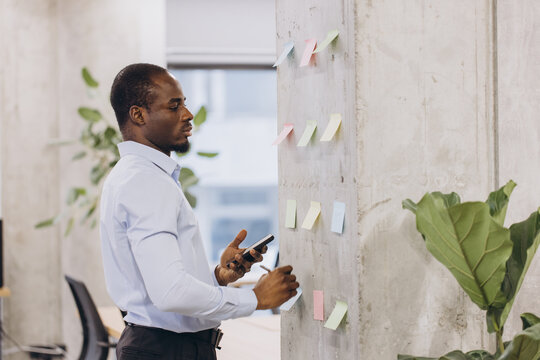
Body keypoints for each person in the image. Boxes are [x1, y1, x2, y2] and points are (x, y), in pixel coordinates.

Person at [100, 63, 299, 360]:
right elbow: (169, 293)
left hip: (163, 347)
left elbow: (159, 282)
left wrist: (217, 276)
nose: (188, 114)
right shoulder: (145, 182)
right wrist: (254, 298)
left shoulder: (136, 175)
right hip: (166, 351)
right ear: (138, 114)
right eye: (174, 105)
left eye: (185, 103)